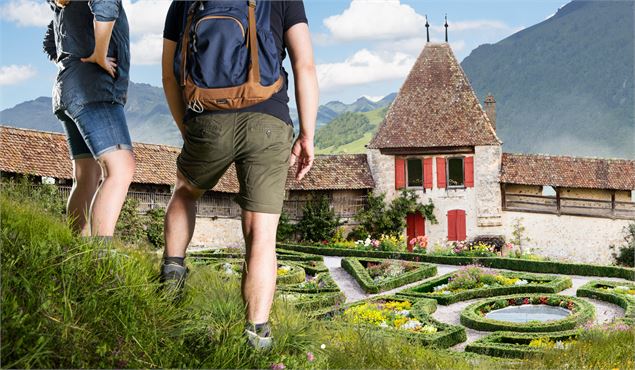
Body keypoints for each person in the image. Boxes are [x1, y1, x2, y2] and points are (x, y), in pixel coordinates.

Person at [161, 0, 318, 349]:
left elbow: (170, 75)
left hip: (207, 115)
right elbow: (304, 64)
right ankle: (257, 336)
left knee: (185, 192)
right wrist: (307, 133)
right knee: (261, 233)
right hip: (269, 120)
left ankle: (170, 282)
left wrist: (188, 126)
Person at [44, 0, 135, 240]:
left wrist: (71, 62)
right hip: (95, 89)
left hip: (67, 89)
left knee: (87, 176)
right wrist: (98, 55)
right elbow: (105, 5)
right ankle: (100, 259)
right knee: (121, 168)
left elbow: (50, 41)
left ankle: (77, 251)